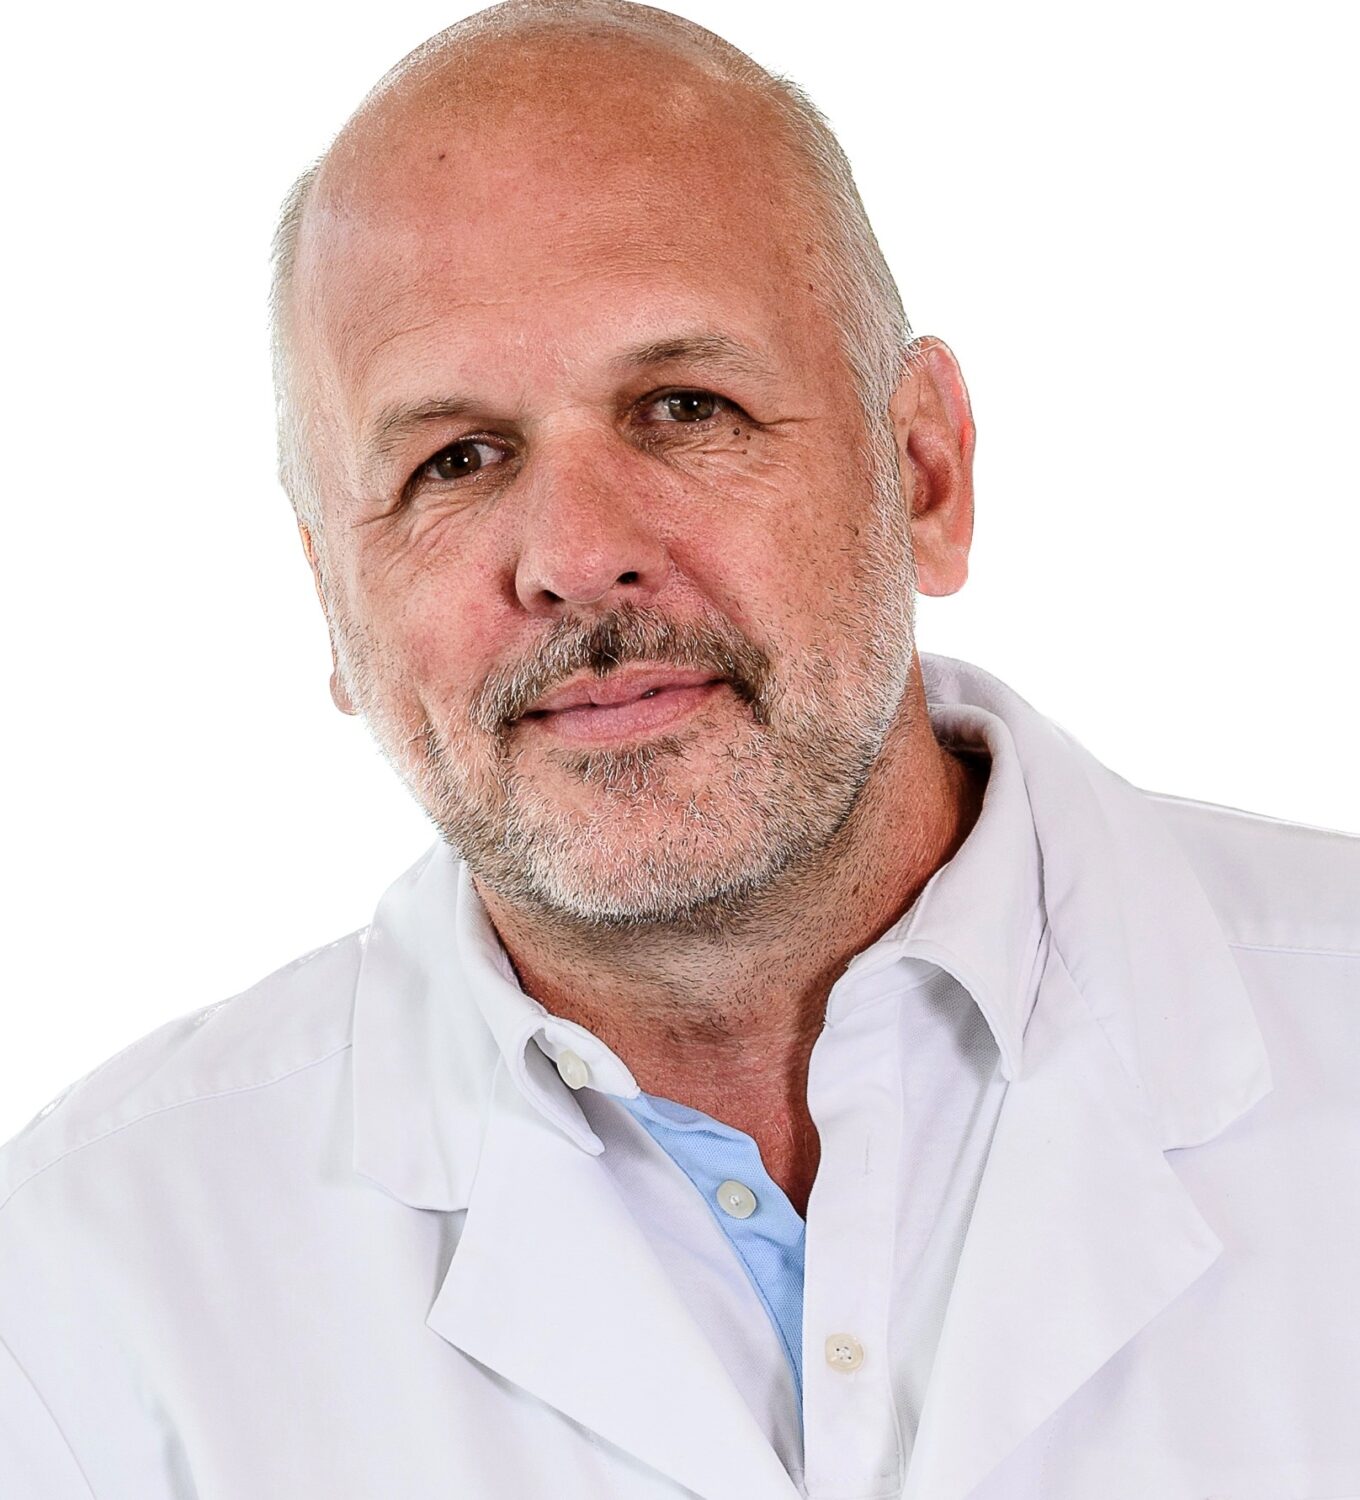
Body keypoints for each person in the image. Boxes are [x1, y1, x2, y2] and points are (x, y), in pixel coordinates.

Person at [2, 1, 1356, 1496]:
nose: (578, 557)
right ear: (333, 599)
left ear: (924, 473)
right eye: (455, 459)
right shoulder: (82, 1293)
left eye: (683, 407)